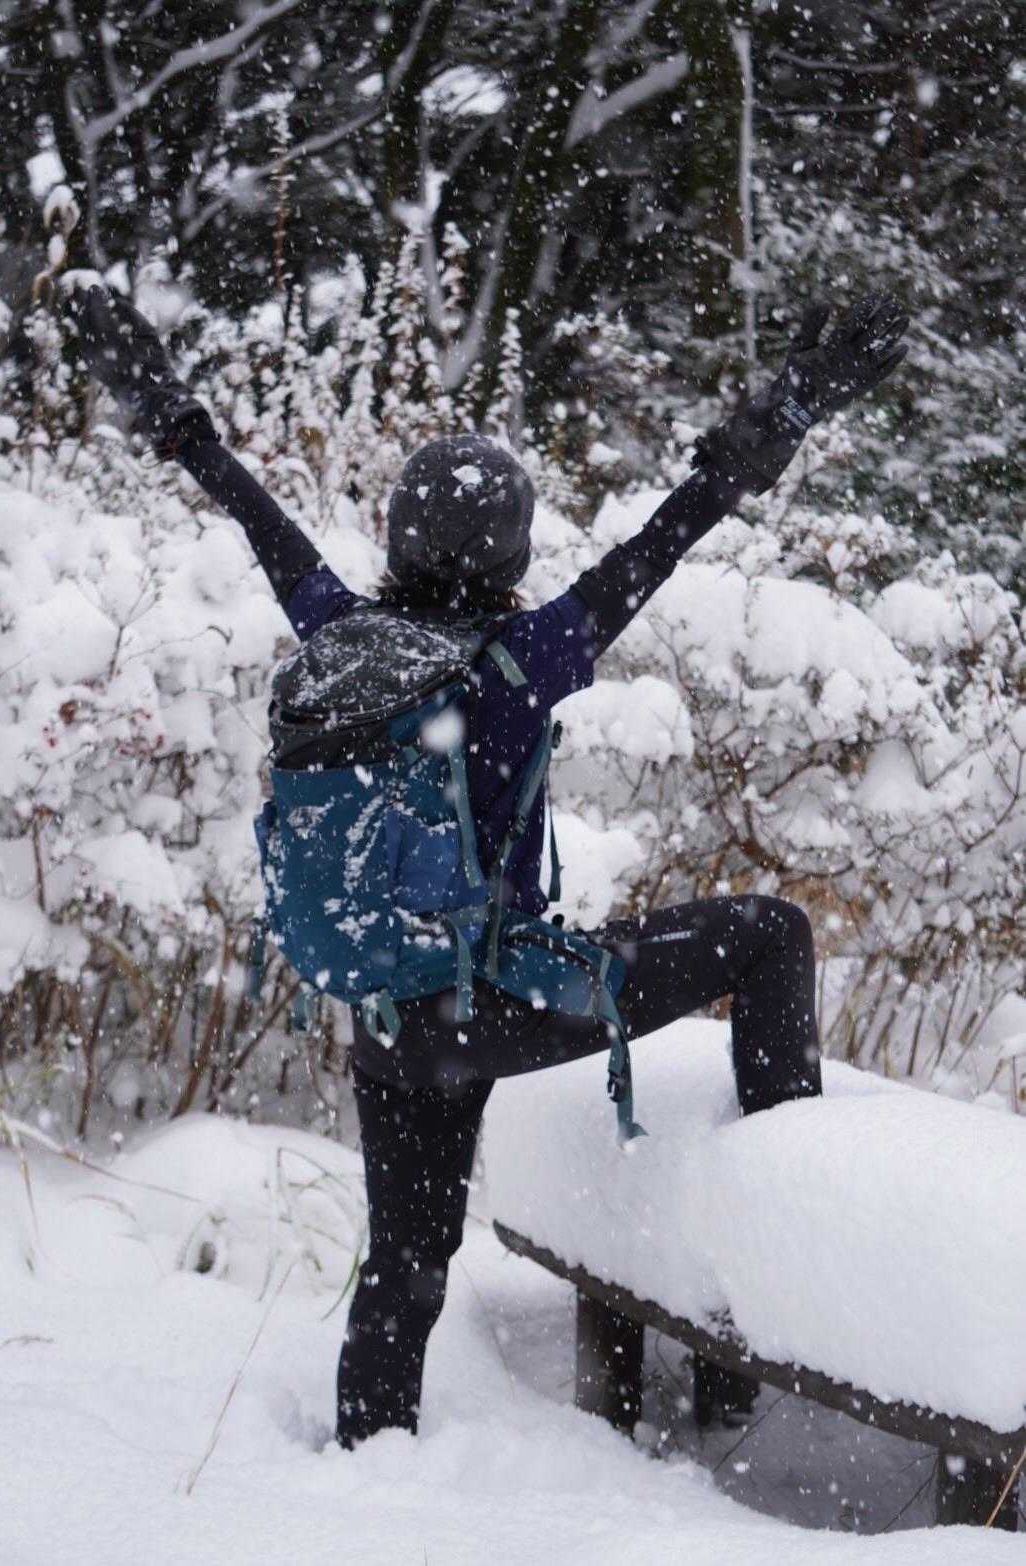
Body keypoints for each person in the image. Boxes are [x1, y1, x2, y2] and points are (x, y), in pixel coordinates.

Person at [75, 286, 909, 1446]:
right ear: (512, 549)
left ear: (396, 538)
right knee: (770, 932)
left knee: (404, 1266)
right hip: (501, 1006)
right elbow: (660, 543)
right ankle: (774, 1244)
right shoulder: (531, 654)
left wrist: (177, 419)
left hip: (388, 1019)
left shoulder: (337, 639)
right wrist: (783, 414)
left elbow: (264, 526)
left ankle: (368, 1460)